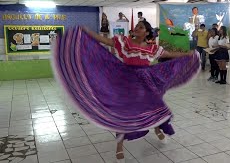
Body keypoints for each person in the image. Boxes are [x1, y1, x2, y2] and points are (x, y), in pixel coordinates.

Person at [54, 20, 200, 163]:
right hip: (126, 81)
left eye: (140, 27)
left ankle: (157, 129)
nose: (136, 28)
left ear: (147, 32)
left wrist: (187, 54)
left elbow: (168, 54)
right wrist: (87, 32)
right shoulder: (125, 42)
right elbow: (105, 41)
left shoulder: (152, 48)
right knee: (124, 113)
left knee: (152, 106)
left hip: (146, 82)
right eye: (136, 26)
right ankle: (119, 146)